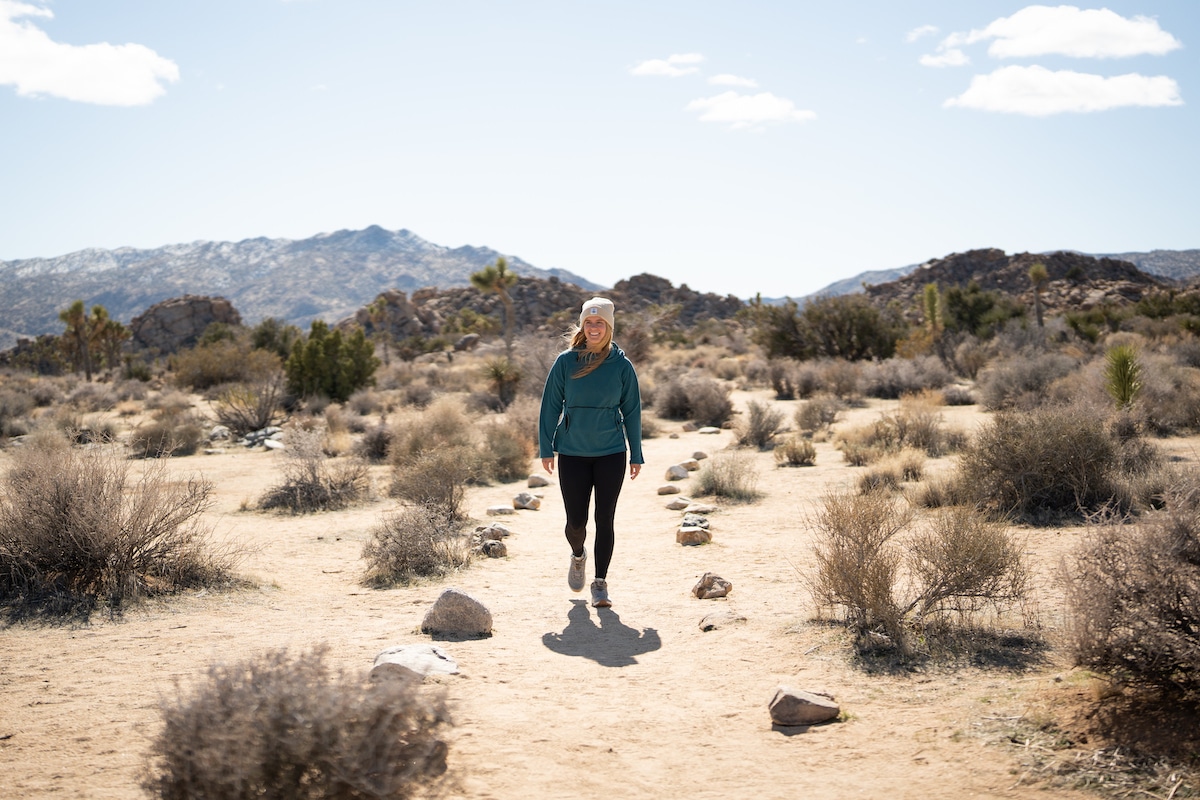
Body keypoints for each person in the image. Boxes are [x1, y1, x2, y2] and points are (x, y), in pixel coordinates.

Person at [538, 297, 643, 608]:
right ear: (583, 325)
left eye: (600, 323)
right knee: (576, 522)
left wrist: (636, 453)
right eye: (589, 322)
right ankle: (578, 554)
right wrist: (547, 448)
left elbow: (633, 411)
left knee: (605, 517)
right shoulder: (565, 362)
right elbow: (550, 407)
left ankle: (600, 583)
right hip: (572, 451)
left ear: (609, 326)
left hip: (611, 451)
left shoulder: (622, 366)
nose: (594, 327)